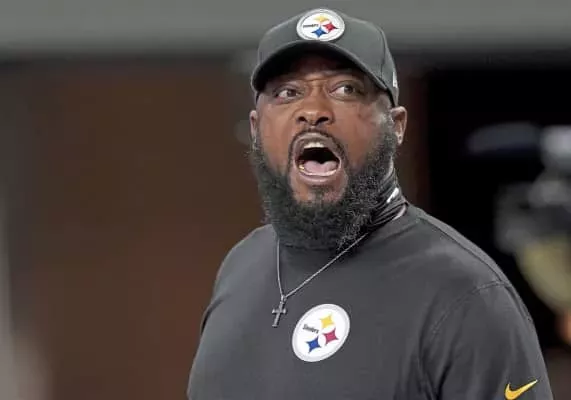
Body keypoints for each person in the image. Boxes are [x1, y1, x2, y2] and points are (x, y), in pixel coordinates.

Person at [187, 8, 554, 399]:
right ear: (256, 129)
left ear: (396, 126)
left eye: (346, 89)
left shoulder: (465, 295)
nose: (313, 111)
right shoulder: (241, 266)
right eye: (288, 93)